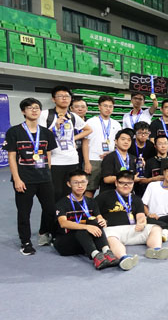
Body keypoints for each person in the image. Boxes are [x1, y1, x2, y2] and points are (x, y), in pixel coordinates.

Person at [6, 98, 57, 254]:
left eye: (36, 108)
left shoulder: (46, 132)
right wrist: (17, 179)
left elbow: (48, 155)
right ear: (23, 111)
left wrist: (47, 172)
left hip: (44, 178)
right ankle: (26, 242)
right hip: (24, 179)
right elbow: (11, 157)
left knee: (50, 209)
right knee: (24, 213)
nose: (34, 110)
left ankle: (47, 234)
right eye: (30, 108)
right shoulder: (14, 132)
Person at [96, 170, 168, 271]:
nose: (126, 186)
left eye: (129, 183)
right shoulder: (104, 197)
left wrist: (141, 223)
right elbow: (94, 212)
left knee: (156, 228)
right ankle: (123, 258)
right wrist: (100, 219)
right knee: (109, 236)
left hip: (133, 229)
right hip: (113, 231)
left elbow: (141, 215)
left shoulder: (136, 199)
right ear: (116, 183)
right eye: (122, 183)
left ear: (133, 184)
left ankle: (155, 250)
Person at [53, 170, 119, 269]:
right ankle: (96, 256)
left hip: (86, 244)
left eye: (83, 182)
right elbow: (63, 223)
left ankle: (106, 251)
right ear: (69, 184)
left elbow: (99, 217)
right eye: (76, 183)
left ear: (87, 182)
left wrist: (103, 221)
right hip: (66, 243)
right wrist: (86, 227)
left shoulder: (91, 202)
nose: (80, 186)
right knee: (82, 229)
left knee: (95, 222)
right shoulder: (61, 203)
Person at [39, 86, 92, 202]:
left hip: (72, 160)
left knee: (70, 193)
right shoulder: (45, 114)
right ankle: (54, 214)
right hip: (55, 161)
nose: (64, 98)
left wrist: (73, 138)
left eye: (67, 96)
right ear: (53, 99)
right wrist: (55, 128)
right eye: (60, 96)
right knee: (55, 193)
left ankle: (67, 214)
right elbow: (40, 136)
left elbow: (88, 130)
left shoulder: (72, 116)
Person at [82, 95, 122, 197]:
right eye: (105, 106)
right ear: (99, 107)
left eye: (110, 106)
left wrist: (112, 154)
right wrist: (87, 162)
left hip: (110, 160)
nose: (108, 109)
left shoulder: (116, 124)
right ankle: (88, 207)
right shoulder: (91, 122)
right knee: (89, 190)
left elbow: (118, 143)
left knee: (108, 190)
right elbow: (85, 143)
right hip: (93, 160)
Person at [70, 96, 88, 167]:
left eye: (83, 107)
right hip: (71, 154)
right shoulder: (66, 123)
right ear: (71, 108)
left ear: (87, 109)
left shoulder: (91, 123)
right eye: (77, 107)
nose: (80, 109)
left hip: (88, 155)